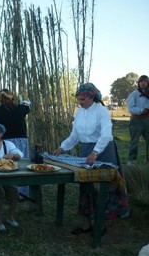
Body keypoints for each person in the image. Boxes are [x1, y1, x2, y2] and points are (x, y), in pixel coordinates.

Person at [53, 83, 129, 235]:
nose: (80, 102)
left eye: (82, 99)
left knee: (104, 188)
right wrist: (62, 147)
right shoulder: (79, 113)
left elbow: (106, 135)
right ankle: (86, 224)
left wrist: (95, 152)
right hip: (86, 150)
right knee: (86, 186)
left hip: (104, 150)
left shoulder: (101, 111)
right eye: (78, 99)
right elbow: (75, 135)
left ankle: (101, 225)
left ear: (91, 97)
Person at [0, 88, 31, 199]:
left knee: (6, 166)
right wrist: (25, 99)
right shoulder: (21, 108)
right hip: (21, 141)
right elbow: (28, 107)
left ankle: (7, 191)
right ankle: (22, 193)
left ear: (0, 99)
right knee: (22, 166)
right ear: (12, 97)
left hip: (5, 142)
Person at [126, 75, 149, 165]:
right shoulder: (134, 94)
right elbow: (131, 107)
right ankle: (131, 160)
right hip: (136, 120)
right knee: (134, 141)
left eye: (145, 81)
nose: (143, 83)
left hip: (147, 120)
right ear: (139, 83)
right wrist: (141, 110)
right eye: (141, 81)